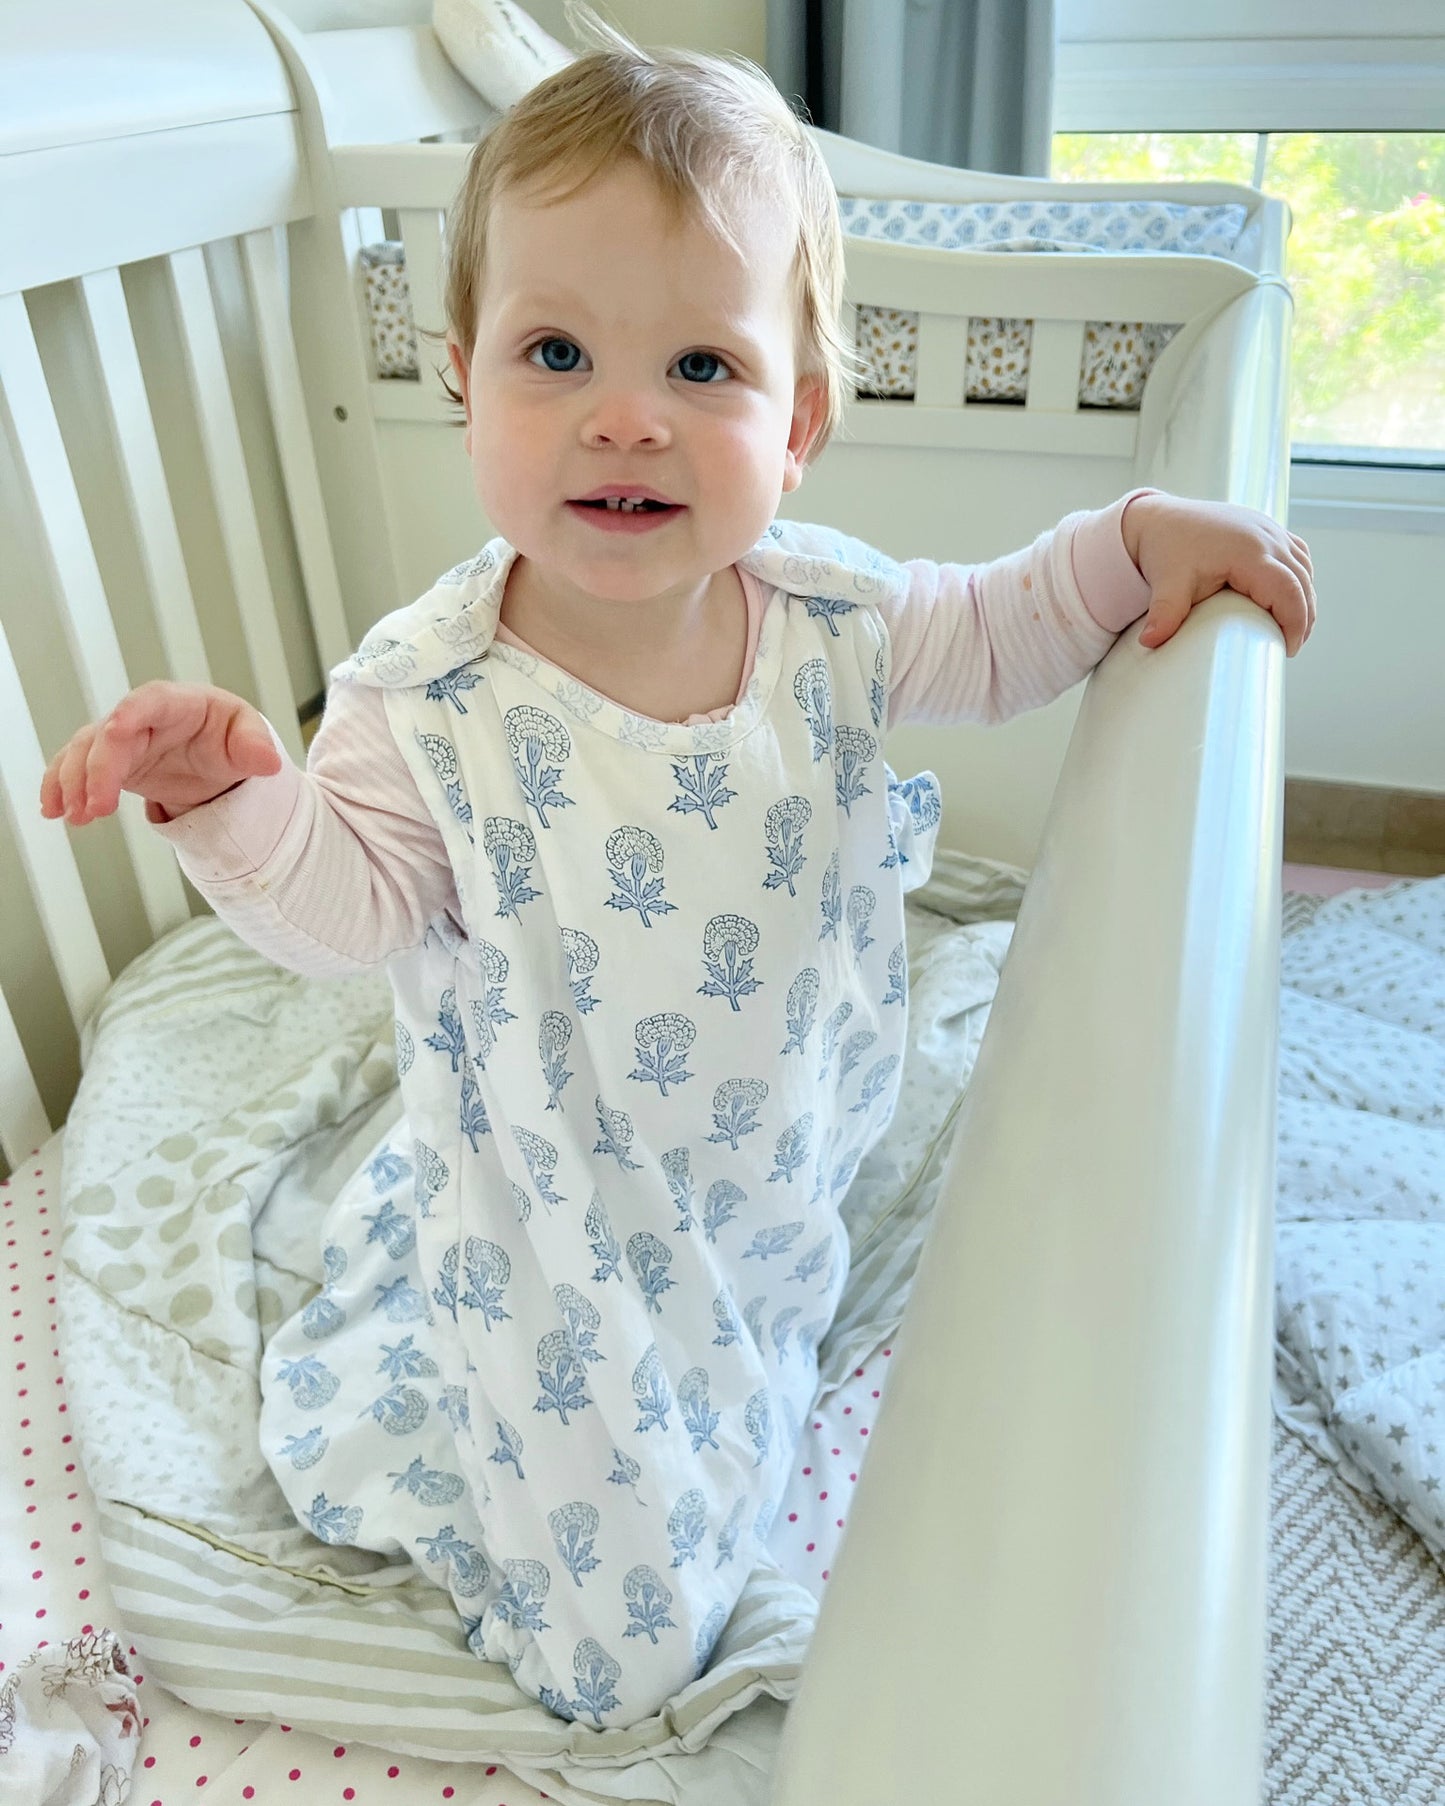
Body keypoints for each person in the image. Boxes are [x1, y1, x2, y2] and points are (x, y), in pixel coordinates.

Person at [39, 8, 1314, 1731]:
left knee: (759, 1332)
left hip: (764, 1169)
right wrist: (233, 804)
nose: (625, 419)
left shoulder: (833, 620)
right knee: (621, 1646)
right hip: (552, 1221)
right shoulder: (428, 697)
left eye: (701, 369)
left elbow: (1010, 627)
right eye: (556, 353)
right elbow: (345, 916)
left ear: (798, 424)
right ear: (463, 381)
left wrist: (1135, 543)